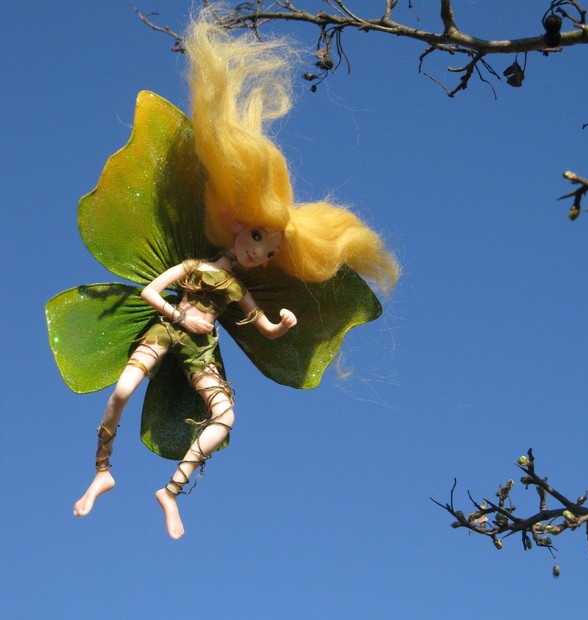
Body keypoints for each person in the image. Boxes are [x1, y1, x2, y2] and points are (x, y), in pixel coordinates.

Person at [69, 13, 400, 539]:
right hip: (166, 329)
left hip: (202, 352)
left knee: (224, 418)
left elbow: (261, 325)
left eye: (271, 253)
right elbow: (153, 290)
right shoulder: (194, 268)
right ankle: (101, 473)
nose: (260, 254)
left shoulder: (240, 289)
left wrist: (281, 325)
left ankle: (171, 490)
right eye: (258, 239)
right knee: (121, 392)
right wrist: (178, 314)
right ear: (236, 222)